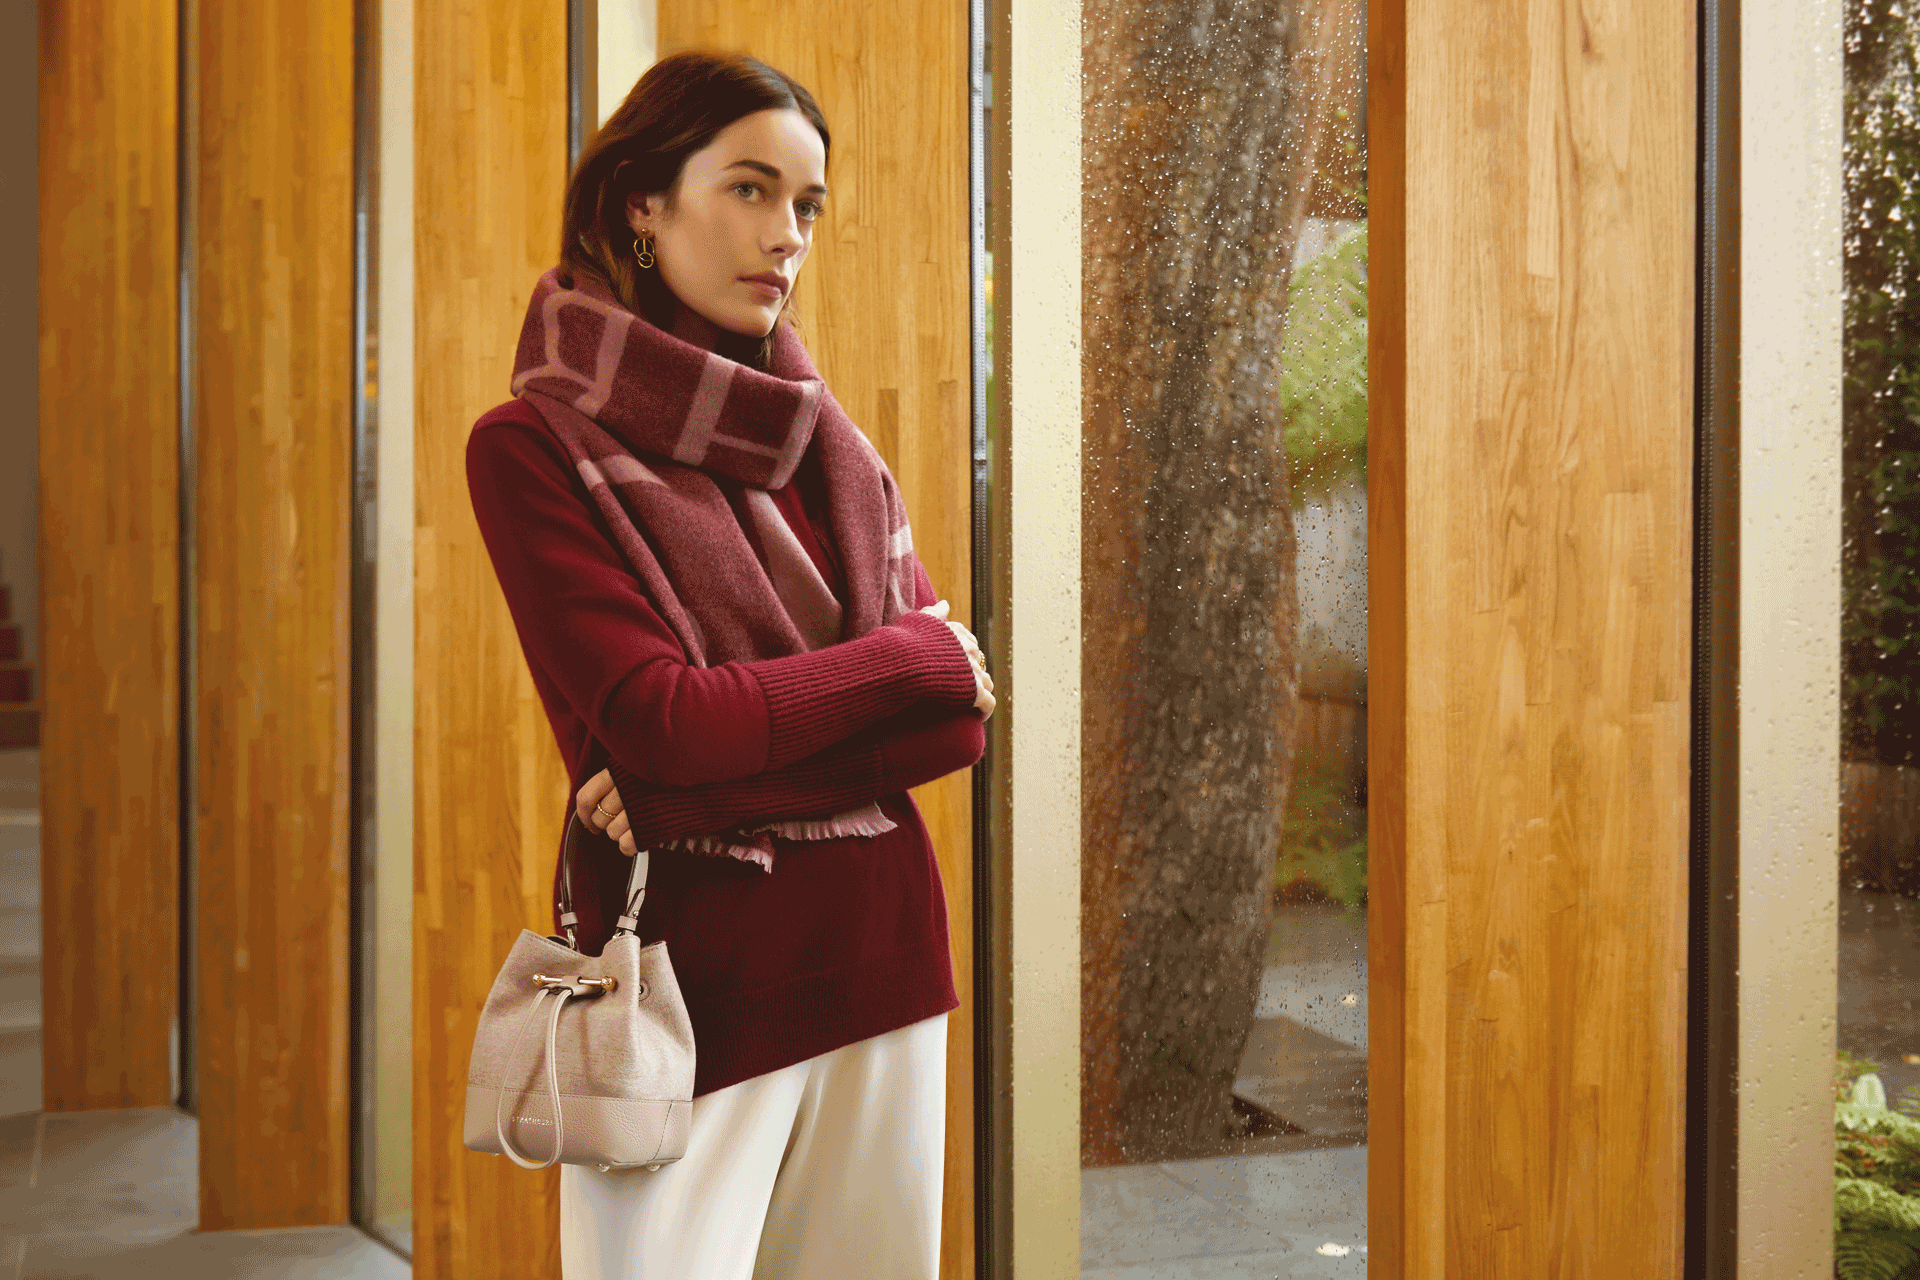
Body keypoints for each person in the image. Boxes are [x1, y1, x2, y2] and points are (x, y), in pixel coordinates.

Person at [465, 49, 992, 1280]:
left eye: (807, 205)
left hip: (887, 960)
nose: (787, 234)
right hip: (683, 989)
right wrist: (906, 657)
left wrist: (690, 797)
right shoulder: (533, 446)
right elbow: (664, 717)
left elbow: (952, 730)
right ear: (642, 201)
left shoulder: (828, 443)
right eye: (750, 191)